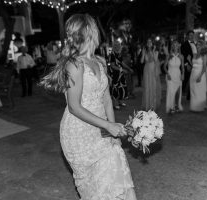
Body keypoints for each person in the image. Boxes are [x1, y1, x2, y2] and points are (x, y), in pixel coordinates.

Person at [40, 14, 136, 200]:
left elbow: (107, 99)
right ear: (91, 32)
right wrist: (107, 125)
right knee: (96, 190)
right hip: (78, 134)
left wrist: (112, 130)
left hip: (101, 131)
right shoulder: (74, 65)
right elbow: (74, 107)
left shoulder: (100, 62)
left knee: (115, 175)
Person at [164, 40, 184, 114]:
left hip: (178, 75)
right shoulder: (169, 56)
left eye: (177, 44)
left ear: (179, 46)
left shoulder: (181, 56)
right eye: (174, 44)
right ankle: (171, 107)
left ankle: (176, 105)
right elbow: (164, 67)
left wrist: (183, 74)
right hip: (170, 75)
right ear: (172, 46)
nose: (175, 46)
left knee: (178, 92)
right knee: (171, 91)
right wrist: (167, 74)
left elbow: (182, 67)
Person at [141, 38, 161, 111]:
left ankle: (153, 105)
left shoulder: (155, 51)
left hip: (153, 70)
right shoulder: (145, 51)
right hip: (146, 70)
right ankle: (147, 105)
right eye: (148, 42)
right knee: (147, 87)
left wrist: (152, 51)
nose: (149, 43)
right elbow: (141, 61)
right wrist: (143, 54)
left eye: (150, 42)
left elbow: (155, 60)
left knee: (153, 87)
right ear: (146, 44)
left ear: (153, 44)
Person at [190, 40, 207, 112]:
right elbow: (193, 65)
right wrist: (189, 60)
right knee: (193, 90)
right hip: (193, 74)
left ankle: (200, 106)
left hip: (200, 74)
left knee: (199, 90)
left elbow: (204, 67)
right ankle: (193, 106)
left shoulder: (204, 55)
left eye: (199, 45)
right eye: (197, 44)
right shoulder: (195, 54)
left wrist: (200, 76)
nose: (197, 46)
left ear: (202, 46)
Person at [108, 41, 128, 110]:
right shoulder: (112, 55)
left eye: (119, 45)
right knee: (115, 88)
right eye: (117, 45)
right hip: (115, 74)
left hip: (120, 74)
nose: (119, 46)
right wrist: (121, 69)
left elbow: (121, 63)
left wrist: (128, 68)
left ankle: (120, 101)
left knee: (121, 87)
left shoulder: (119, 54)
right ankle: (115, 103)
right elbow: (112, 66)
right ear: (115, 46)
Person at [181, 30, 197, 100]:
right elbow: (183, 56)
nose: (192, 36)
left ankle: (190, 96)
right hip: (188, 64)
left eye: (193, 35)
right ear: (187, 36)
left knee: (192, 80)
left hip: (195, 64)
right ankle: (179, 94)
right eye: (190, 35)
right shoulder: (184, 44)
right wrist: (186, 64)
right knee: (185, 80)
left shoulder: (196, 43)